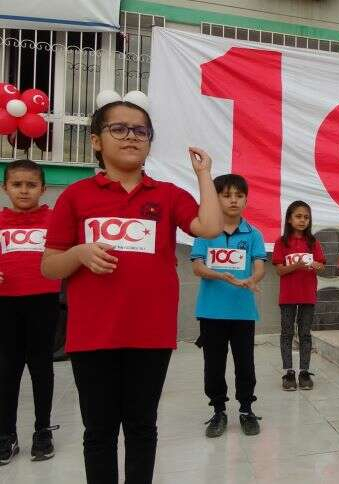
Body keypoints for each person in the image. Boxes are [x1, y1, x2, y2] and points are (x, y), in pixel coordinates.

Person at [41, 92, 222, 483]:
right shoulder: (75, 196)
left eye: (140, 131)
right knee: (99, 432)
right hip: (92, 336)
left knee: (142, 427)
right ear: (96, 140)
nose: (131, 137)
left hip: (150, 334)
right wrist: (79, 254)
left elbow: (209, 228)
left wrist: (204, 175)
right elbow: (49, 266)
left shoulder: (168, 195)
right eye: (119, 129)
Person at [191, 174, 267, 438]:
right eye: (226, 195)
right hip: (211, 312)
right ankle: (218, 411)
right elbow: (197, 267)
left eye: (239, 195)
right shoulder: (205, 232)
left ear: (246, 199)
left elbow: (259, 268)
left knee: (245, 363)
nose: (233, 200)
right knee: (213, 365)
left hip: (243, 312)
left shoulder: (254, 234)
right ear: (216, 199)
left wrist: (252, 279)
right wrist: (220, 275)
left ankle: (246, 409)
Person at [0, 160, 61, 465]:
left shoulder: (55, 220)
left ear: (43, 188)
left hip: (43, 303)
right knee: (6, 370)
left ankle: (42, 430)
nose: (24, 190)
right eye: (16, 184)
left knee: (41, 368)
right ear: (5, 188)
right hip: (5, 304)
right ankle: (6, 434)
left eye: (31, 185)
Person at [273, 200, 326, 391]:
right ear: (289, 219)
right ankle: (288, 372)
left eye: (306, 217)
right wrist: (296, 265)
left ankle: (304, 372)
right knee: (287, 333)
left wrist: (317, 266)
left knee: (305, 334)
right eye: (298, 216)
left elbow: (321, 266)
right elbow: (279, 270)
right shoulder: (281, 242)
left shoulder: (313, 242)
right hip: (288, 296)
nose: (302, 220)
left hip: (308, 296)